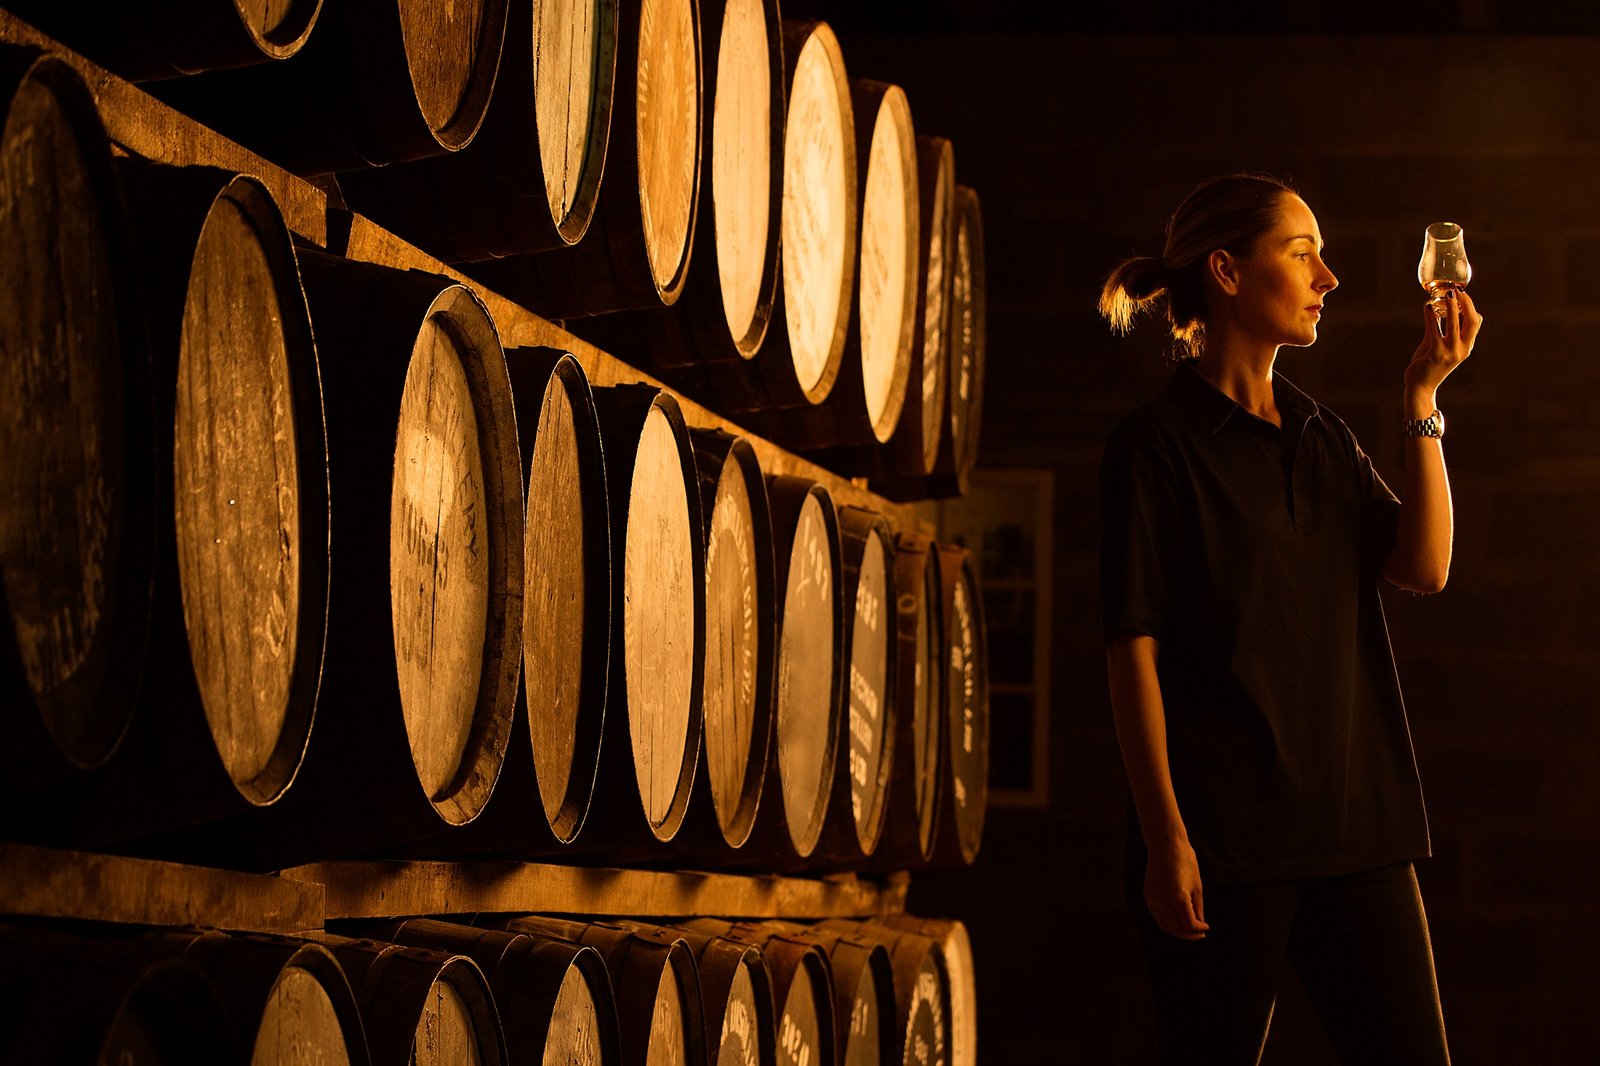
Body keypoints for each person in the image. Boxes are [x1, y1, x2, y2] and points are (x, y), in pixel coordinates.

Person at [1096, 172, 1480, 1064]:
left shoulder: (1324, 435)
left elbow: (1425, 566)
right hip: (1225, 843)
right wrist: (1165, 840)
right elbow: (1133, 653)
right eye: (1302, 252)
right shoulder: (1155, 450)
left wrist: (1422, 402)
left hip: (1359, 829)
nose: (1328, 277)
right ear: (1227, 272)